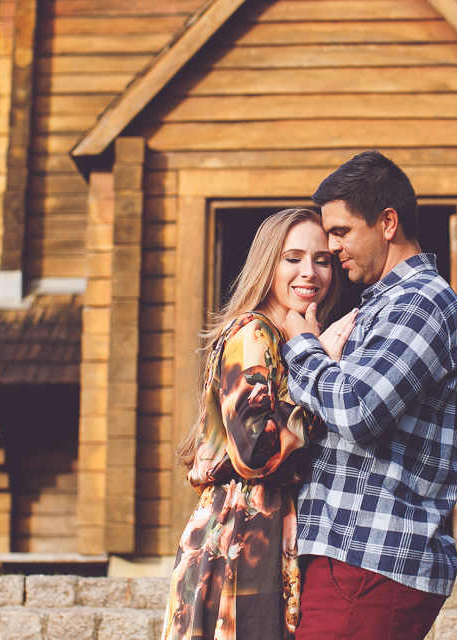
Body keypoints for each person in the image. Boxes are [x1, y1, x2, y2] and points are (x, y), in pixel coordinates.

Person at [281, 151, 457, 640]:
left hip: (372, 556)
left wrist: (300, 346)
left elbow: (357, 409)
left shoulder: (422, 302)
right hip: (351, 556)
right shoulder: (384, 305)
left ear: (388, 222)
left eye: (341, 232)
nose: (333, 246)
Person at [162, 208, 347, 640]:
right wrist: (324, 374)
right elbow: (254, 451)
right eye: (293, 258)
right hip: (238, 543)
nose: (310, 273)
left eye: (322, 260)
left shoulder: (283, 338)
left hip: (254, 537)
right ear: (268, 264)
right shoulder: (254, 333)